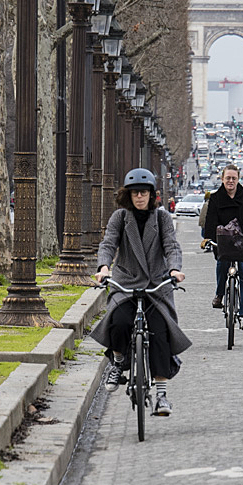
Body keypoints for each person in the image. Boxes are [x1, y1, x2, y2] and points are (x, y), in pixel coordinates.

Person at [92, 168, 190, 417]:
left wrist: (175, 270)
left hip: (157, 284)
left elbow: (171, 246)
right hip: (125, 280)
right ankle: (117, 362)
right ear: (128, 195)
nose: (139, 198)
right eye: (135, 193)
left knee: (160, 333)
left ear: (151, 195)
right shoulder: (119, 217)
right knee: (119, 320)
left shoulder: (162, 218)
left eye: (144, 193)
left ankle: (162, 395)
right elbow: (108, 243)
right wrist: (104, 267)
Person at [202, 164, 243, 331]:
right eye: (228, 178)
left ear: (238, 180)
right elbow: (210, 221)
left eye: (233, 178)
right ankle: (219, 294)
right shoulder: (216, 198)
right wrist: (208, 239)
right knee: (222, 264)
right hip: (223, 241)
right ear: (222, 179)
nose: (230, 181)